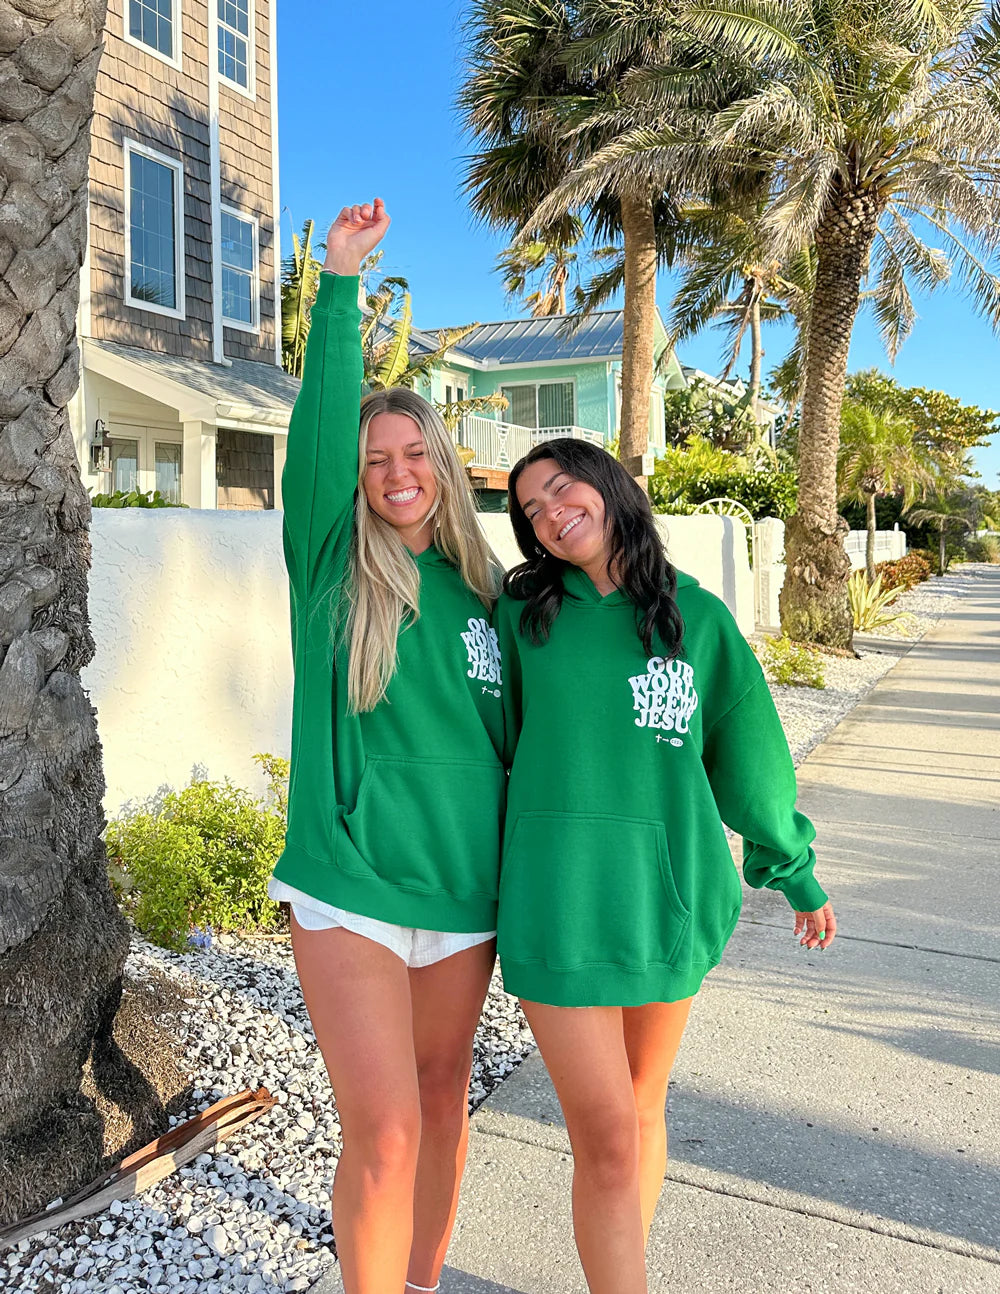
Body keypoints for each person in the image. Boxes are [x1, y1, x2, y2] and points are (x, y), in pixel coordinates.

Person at [494, 438, 836, 1294]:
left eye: (562, 489)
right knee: (608, 1135)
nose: (550, 514)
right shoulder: (522, 617)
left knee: (644, 1104)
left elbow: (750, 764)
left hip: (668, 897)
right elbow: (485, 748)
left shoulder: (699, 619)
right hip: (557, 903)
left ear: (610, 488)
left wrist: (794, 870)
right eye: (531, 509)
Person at [268, 200, 505, 1294]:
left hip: (465, 895)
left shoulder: (491, 594)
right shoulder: (332, 569)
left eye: (415, 452)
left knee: (444, 1102)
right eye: (376, 460)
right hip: (351, 884)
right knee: (388, 1130)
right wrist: (339, 285)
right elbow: (318, 437)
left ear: (443, 465)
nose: (396, 471)